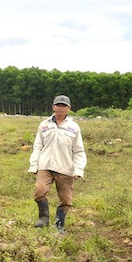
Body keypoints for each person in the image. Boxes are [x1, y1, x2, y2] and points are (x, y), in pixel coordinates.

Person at [28, 95, 87, 234]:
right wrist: (33, 165)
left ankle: (59, 225)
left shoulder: (74, 127)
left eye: (63, 106)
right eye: (58, 105)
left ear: (69, 108)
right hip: (45, 165)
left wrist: (79, 169)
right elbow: (37, 146)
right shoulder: (44, 125)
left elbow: (79, 151)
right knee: (39, 191)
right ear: (53, 107)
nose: (60, 108)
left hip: (65, 168)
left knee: (66, 199)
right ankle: (43, 218)